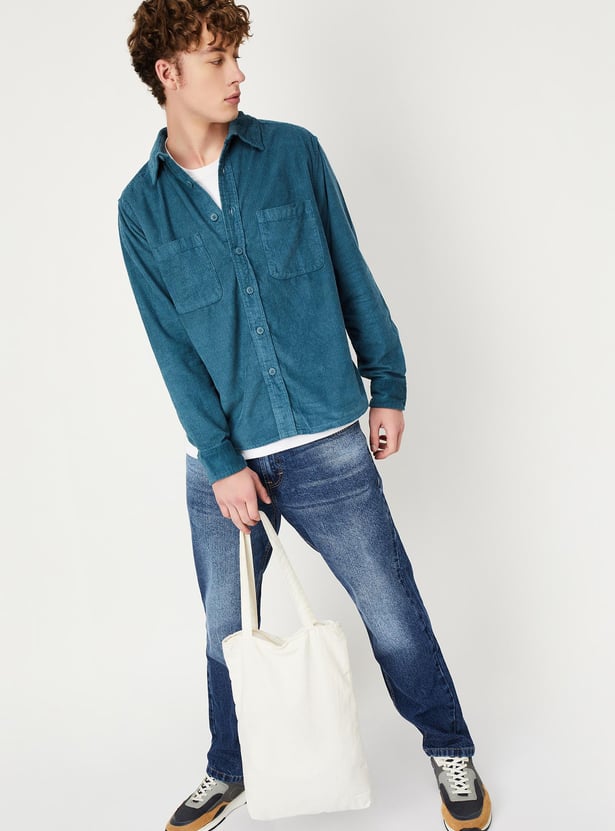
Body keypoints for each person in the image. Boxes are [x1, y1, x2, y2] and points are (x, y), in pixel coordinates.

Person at [118, 2, 492, 830]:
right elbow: (171, 346)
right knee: (225, 632)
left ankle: (448, 748)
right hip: (220, 464)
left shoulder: (292, 153)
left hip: (325, 439)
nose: (237, 74)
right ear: (168, 74)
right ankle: (227, 767)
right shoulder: (140, 208)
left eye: (235, 55)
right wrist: (223, 462)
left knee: (392, 610)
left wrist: (387, 383)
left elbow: (349, 268)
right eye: (216, 59)